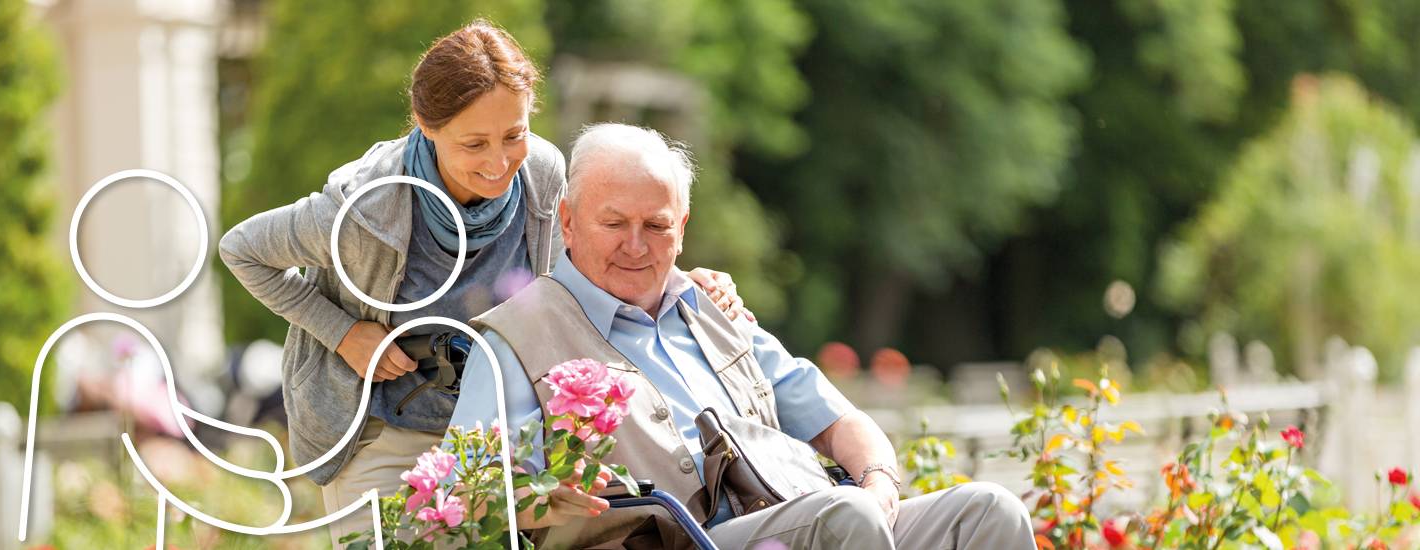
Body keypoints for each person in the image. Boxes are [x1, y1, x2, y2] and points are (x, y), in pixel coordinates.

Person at [217, 21, 749, 547]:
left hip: (500, 439)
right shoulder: (367, 208)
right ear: (427, 126)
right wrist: (342, 332)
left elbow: (586, 262)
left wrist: (679, 279)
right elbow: (240, 249)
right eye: (474, 143)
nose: (499, 163)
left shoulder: (541, 171)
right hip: (382, 436)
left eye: (513, 135)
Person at [450, 123, 1036, 549]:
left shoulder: (713, 309)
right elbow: (464, 495)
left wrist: (879, 483)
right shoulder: (514, 338)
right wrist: (551, 494)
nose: (636, 245)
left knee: (988, 511)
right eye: (613, 223)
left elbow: (841, 422)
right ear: (570, 221)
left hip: (797, 516)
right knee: (843, 517)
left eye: (655, 225)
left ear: (681, 228)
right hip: (667, 541)